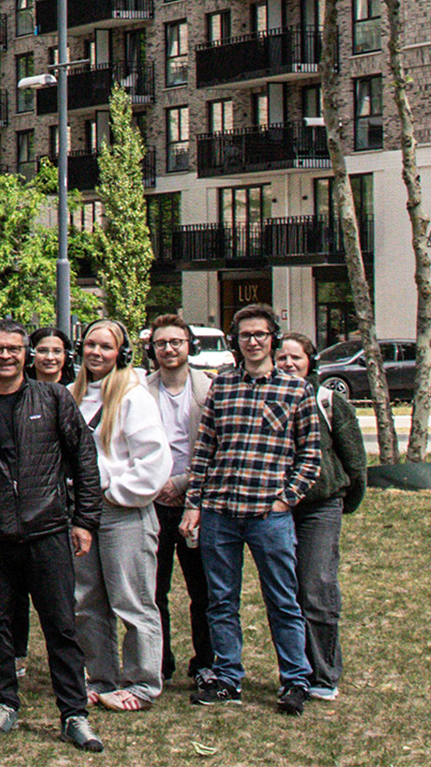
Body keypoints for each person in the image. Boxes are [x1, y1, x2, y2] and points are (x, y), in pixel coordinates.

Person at [0, 319, 104, 752]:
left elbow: (84, 459)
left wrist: (85, 520)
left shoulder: (53, 398)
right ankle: (3, 702)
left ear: (26, 354)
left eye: (13, 349)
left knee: (61, 626)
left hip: (46, 529)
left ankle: (74, 713)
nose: (5, 356)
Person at [180, 303, 322, 716]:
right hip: (220, 512)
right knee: (221, 601)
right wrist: (195, 503)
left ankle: (295, 680)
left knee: (283, 601)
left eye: (260, 334)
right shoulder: (221, 386)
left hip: (268, 516)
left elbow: (310, 456)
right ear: (235, 341)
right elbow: (205, 449)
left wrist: (286, 498)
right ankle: (228, 677)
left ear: (272, 338)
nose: (253, 341)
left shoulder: (296, 390)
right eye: (245, 335)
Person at [70, 319, 172, 711]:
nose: (96, 352)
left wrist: (114, 491)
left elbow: (153, 460)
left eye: (106, 347)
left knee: (132, 600)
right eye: (90, 345)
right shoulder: (72, 394)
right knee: (86, 601)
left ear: (121, 353)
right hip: (81, 511)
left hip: (122, 511)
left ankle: (142, 684)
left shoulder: (133, 395)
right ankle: (101, 677)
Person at [273, 332, 367, 702]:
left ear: (310, 361)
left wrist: (344, 500)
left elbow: (355, 459)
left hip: (320, 507)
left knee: (316, 588)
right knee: (286, 592)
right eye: (282, 358)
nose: (288, 364)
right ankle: (296, 672)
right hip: (278, 508)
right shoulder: (269, 397)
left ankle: (324, 675)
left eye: (295, 357)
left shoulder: (327, 401)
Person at [144, 313, 215, 688]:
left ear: (190, 346)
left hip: (197, 502)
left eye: (176, 342)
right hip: (153, 501)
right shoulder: (141, 390)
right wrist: (158, 484)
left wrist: (184, 483)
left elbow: (220, 447)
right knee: (154, 591)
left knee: (203, 590)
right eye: (161, 343)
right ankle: (159, 662)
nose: (168, 349)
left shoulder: (210, 388)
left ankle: (206, 662)